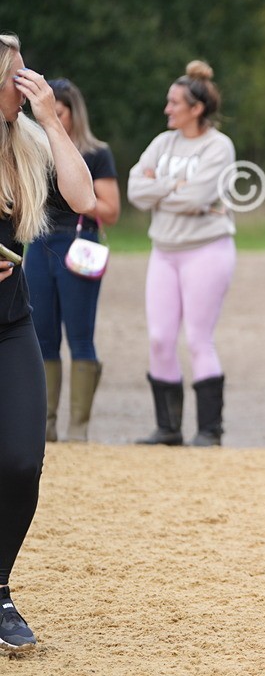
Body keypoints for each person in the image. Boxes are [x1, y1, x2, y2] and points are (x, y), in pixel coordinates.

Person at [0, 33, 97, 652]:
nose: (26, 77)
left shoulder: (25, 141)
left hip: (10, 323)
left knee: (21, 463)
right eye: (17, 72)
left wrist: (52, 121)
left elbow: (85, 198)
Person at [127, 61, 235, 447]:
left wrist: (164, 188)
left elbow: (198, 197)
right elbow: (135, 190)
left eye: (174, 103)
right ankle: (168, 427)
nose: (167, 109)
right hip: (164, 251)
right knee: (159, 338)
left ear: (197, 108)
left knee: (198, 339)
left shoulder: (218, 146)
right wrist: (176, 186)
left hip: (206, 250)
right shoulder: (163, 142)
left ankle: (209, 430)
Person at [25, 79, 121, 443]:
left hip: (79, 244)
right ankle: (46, 425)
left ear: (72, 113)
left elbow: (111, 211)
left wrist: (79, 190)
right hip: (40, 243)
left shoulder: (96, 154)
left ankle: (78, 427)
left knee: (80, 336)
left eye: (58, 111)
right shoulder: (35, 148)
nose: (50, 116)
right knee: (42, 337)